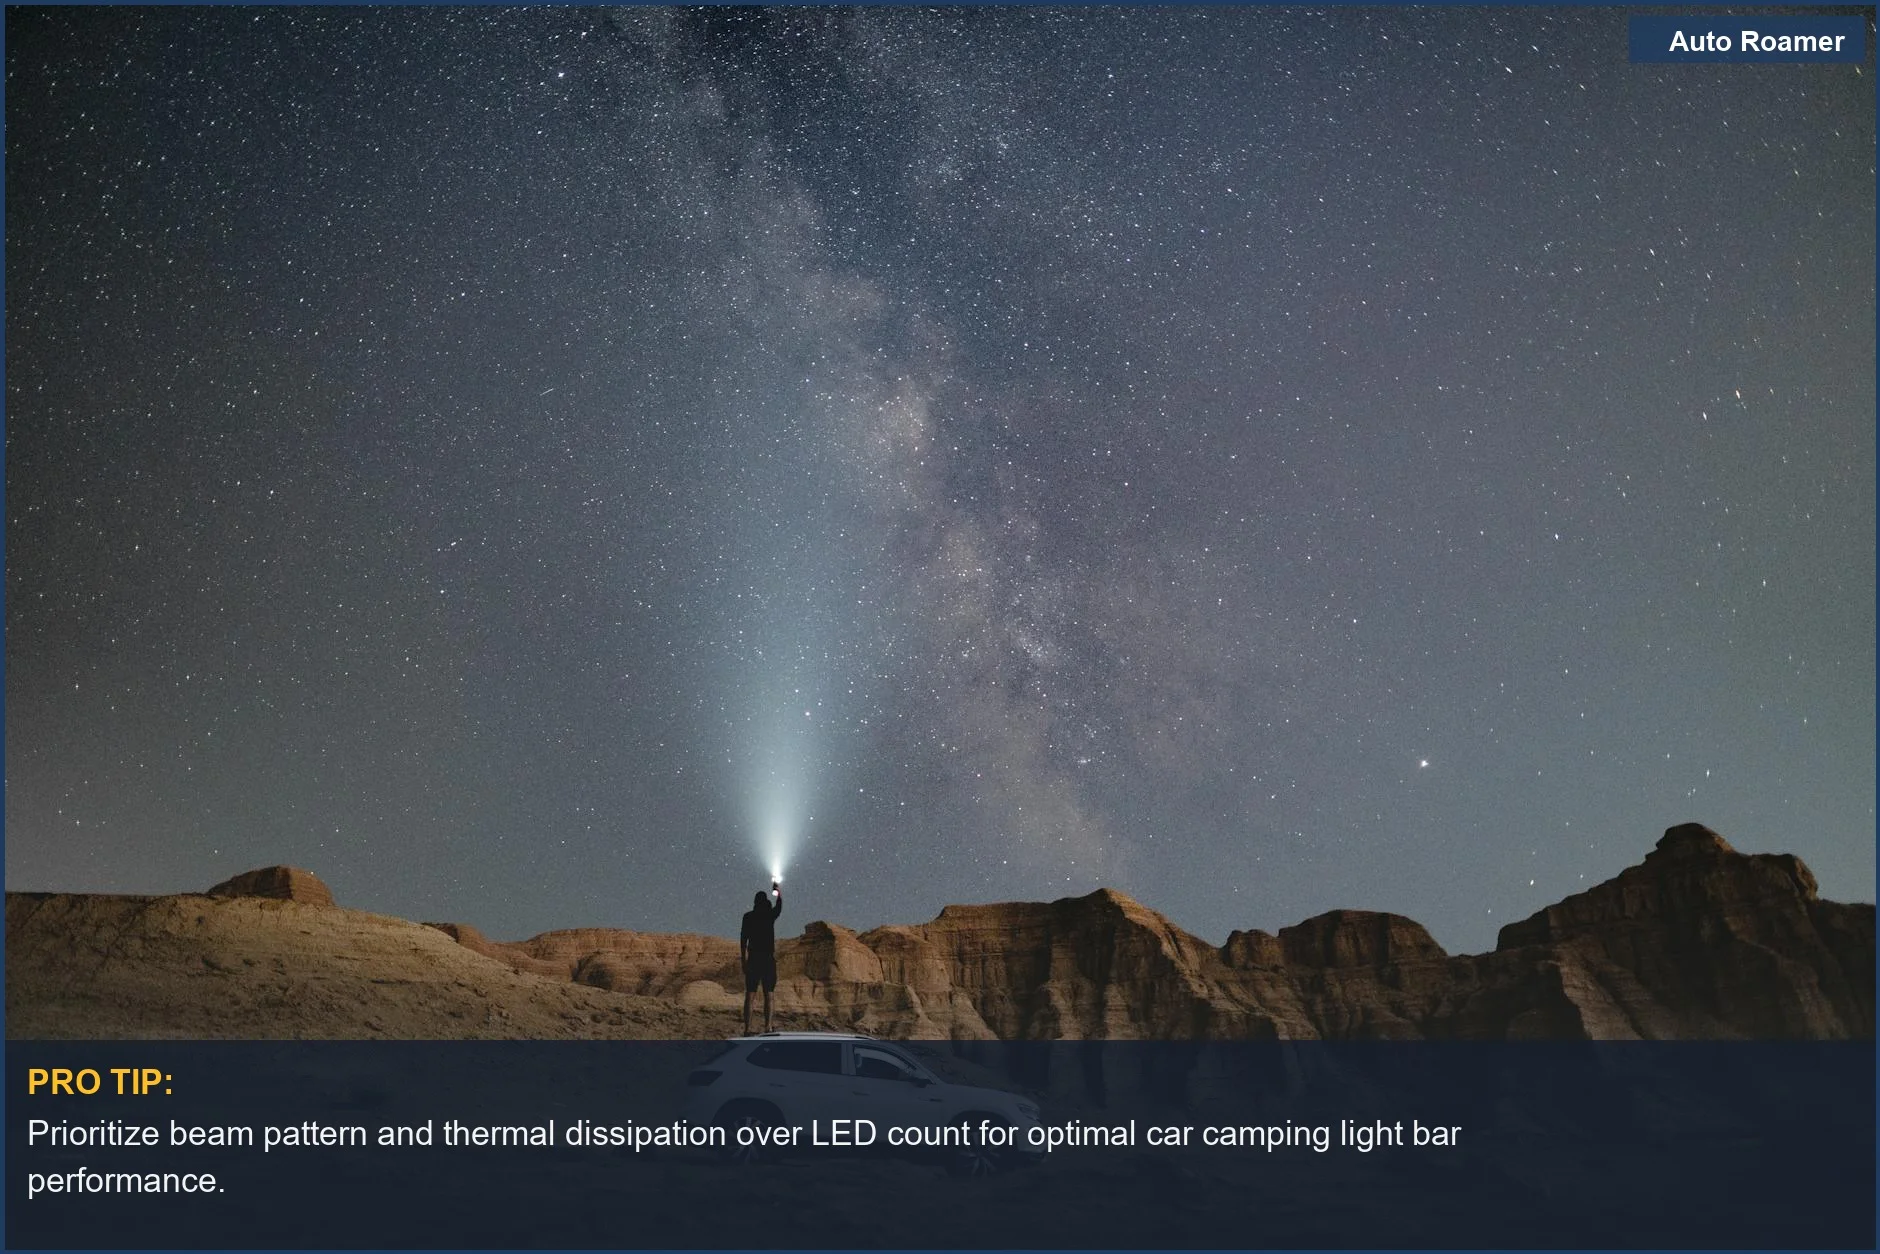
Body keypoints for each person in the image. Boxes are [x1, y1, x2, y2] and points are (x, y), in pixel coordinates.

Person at [740, 879, 783, 1034]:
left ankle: (747, 1029)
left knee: (750, 994)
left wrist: (743, 960)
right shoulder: (769, 915)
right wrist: (778, 891)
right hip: (767, 959)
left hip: (753, 959)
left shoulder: (748, 917)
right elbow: (779, 906)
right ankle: (768, 1027)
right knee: (769, 994)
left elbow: (743, 940)